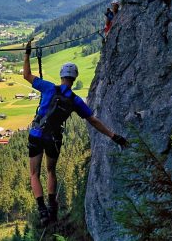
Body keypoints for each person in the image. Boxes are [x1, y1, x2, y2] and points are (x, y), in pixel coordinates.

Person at [23, 40, 127, 226]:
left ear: (61, 76)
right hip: (54, 139)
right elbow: (93, 121)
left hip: (36, 134)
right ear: (74, 78)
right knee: (50, 171)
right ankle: (52, 207)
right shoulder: (75, 100)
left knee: (34, 174)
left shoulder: (48, 87)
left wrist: (27, 54)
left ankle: (42, 211)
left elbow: (27, 75)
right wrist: (114, 136)